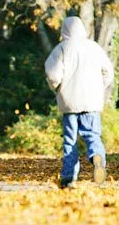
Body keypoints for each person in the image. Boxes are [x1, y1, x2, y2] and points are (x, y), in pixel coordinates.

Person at [44, 16, 114, 188]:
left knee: (70, 140)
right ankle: (97, 157)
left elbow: (53, 75)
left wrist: (57, 87)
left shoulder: (61, 49)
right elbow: (108, 72)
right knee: (92, 135)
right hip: (92, 101)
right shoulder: (94, 48)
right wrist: (99, 88)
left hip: (70, 102)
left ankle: (68, 177)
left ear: (64, 30)